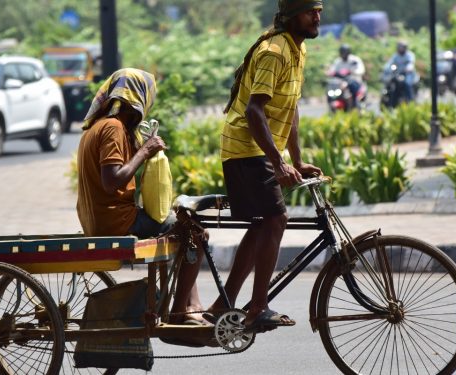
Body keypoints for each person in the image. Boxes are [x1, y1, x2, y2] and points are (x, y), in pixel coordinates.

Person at [206, 0, 324, 333]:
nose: (316, 17)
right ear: (291, 16)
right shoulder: (274, 51)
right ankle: (257, 307)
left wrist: (297, 159)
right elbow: (254, 112)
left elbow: (290, 109)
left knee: (262, 224)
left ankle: (222, 305)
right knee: (276, 219)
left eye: (319, 10)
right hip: (246, 147)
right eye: (309, 11)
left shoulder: (296, 50)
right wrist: (279, 162)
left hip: (257, 148)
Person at [75, 68, 206, 326]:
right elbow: (112, 181)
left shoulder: (100, 127)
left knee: (184, 226)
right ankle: (183, 309)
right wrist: (145, 150)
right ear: (140, 97)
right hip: (118, 221)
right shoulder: (112, 127)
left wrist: (143, 149)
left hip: (102, 220)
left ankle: (188, 304)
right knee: (197, 233)